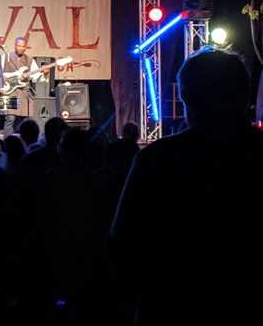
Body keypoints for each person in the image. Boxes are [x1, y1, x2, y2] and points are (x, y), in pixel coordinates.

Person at [110, 48, 263, 325]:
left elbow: (123, 244)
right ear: (244, 95)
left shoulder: (157, 159)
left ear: (186, 98)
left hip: (170, 308)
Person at [0, 37, 48, 136]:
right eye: (18, 46)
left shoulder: (30, 60)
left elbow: (35, 78)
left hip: (23, 93)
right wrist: (5, 79)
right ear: (15, 45)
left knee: (24, 121)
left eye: (23, 46)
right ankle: (7, 143)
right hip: (9, 91)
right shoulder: (6, 57)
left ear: (26, 47)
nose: (21, 48)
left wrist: (45, 73)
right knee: (10, 119)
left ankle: (23, 143)